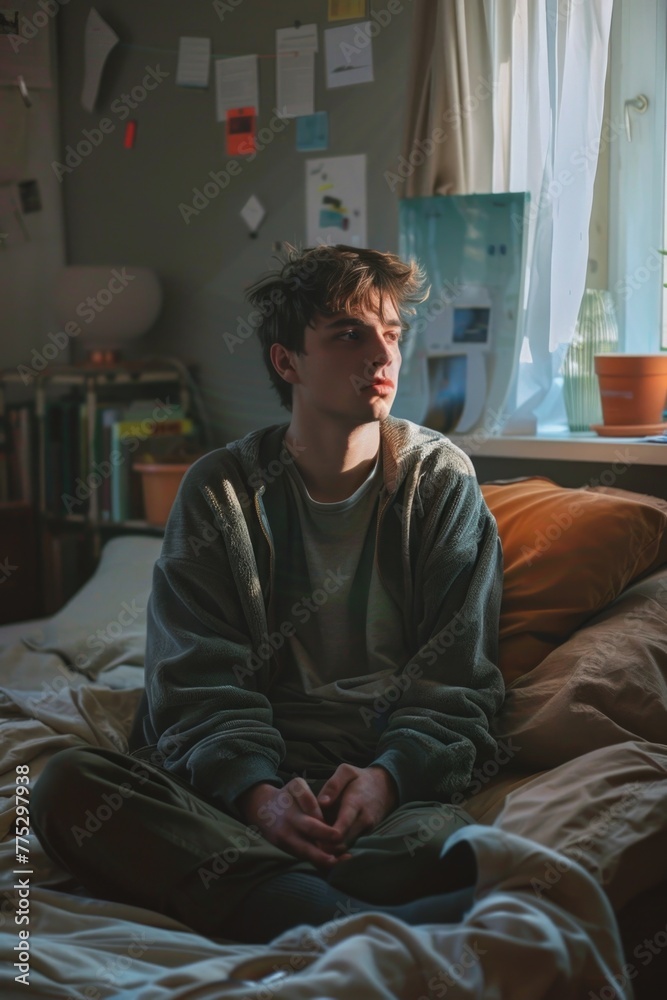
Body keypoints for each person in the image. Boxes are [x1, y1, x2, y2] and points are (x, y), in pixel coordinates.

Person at [33, 244, 505, 943]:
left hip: (378, 788)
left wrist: (387, 779)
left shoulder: (440, 484)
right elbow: (195, 681)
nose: (381, 355)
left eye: (392, 334)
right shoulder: (219, 490)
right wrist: (259, 799)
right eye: (349, 333)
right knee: (61, 787)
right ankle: (324, 911)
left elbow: (456, 678)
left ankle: (274, 901)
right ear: (287, 363)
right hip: (240, 789)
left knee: (442, 845)